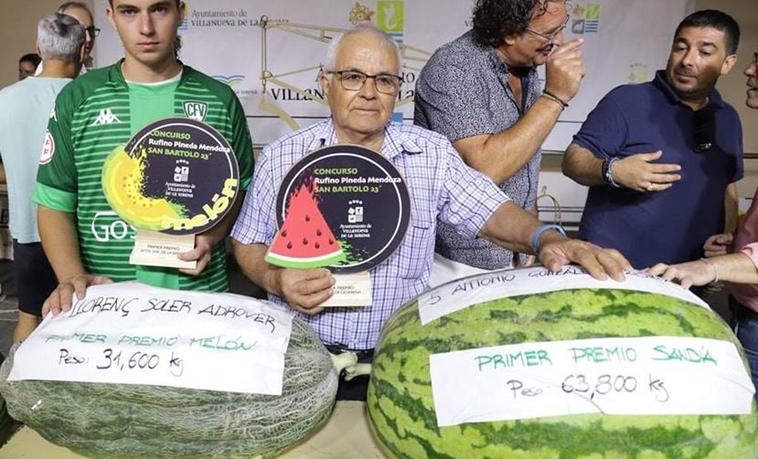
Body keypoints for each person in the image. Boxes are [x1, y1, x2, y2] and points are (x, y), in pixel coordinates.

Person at [231, 23, 629, 400]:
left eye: (385, 80)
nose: (369, 92)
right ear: (325, 82)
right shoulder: (283, 157)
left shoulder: (431, 154)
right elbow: (247, 241)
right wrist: (276, 278)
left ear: (397, 91)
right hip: (300, 354)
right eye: (353, 76)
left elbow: (491, 211)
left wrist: (547, 238)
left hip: (394, 357)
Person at [38, 0, 254, 316]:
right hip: (106, 300)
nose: (146, 28)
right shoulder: (79, 98)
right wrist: (72, 277)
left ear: (180, 12)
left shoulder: (219, 100)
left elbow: (239, 190)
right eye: (129, 11)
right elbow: (54, 200)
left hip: (200, 300)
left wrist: (212, 237)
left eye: (159, 9)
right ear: (110, 15)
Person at [415, 0, 584, 274]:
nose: (559, 42)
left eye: (561, 28)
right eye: (548, 33)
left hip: (517, 246)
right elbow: (486, 168)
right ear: (508, 32)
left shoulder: (529, 64)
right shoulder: (454, 68)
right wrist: (555, 97)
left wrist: (532, 229)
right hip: (457, 258)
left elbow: (525, 155)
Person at [562, 10, 742, 269]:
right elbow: (572, 159)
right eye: (681, 48)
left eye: (704, 52)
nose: (687, 60)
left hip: (686, 277)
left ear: (727, 63)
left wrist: (727, 240)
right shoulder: (626, 101)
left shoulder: (728, 118)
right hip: (613, 272)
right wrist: (612, 170)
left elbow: (727, 185)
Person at [649, 51, 758, 399]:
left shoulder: (727, 118)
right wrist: (735, 247)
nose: (750, 71)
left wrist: (706, 267)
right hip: (745, 310)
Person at [0, 14, 86, 341]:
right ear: (83, 50)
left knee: (29, 318)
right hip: (78, 235)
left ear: (38, 47)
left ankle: (16, 390)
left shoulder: (5, 99)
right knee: (82, 322)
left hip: (28, 232)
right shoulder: (87, 99)